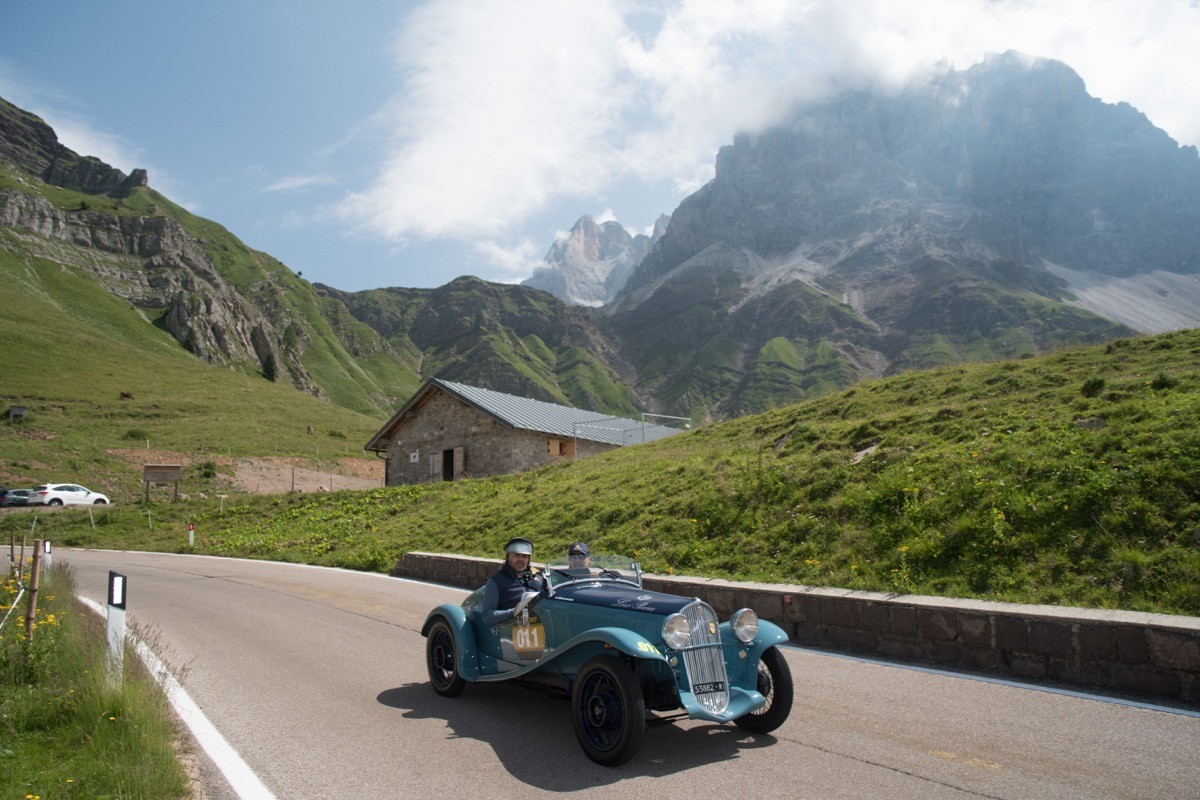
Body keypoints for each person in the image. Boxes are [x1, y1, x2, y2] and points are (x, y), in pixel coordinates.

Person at [479, 537, 544, 625]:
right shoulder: (496, 581)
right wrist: (513, 612)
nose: (521, 559)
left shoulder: (538, 579)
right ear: (508, 556)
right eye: (516, 555)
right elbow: (487, 616)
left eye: (524, 556)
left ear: (528, 559)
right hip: (511, 632)